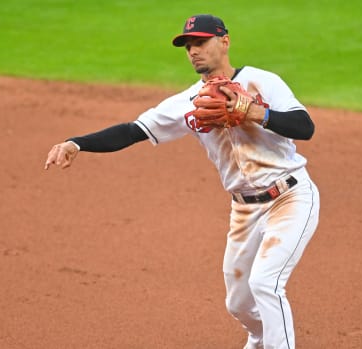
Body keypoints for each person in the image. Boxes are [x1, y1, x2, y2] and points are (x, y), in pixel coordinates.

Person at [44, 14, 320, 349]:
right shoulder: (187, 103)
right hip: (244, 210)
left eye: (200, 43)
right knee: (238, 304)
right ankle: (261, 339)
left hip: (289, 197)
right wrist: (77, 143)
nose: (193, 51)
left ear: (224, 41)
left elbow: (305, 127)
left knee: (265, 282)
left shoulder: (262, 82)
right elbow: (133, 131)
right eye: (188, 46)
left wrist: (254, 113)